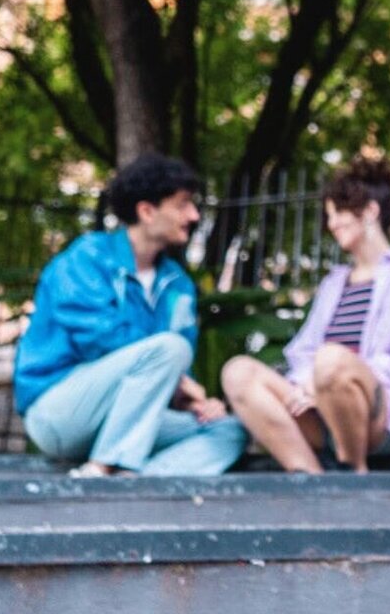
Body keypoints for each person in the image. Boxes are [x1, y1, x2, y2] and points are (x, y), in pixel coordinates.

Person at [13, 154, 247, 477]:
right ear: (147, 211)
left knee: (230, 430)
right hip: (58, 411)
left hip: (130, 419)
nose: (193, 215)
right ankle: (105, 466)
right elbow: (101, 339)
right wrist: (179, 379)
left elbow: (166, 371)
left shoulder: (178, 284)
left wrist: (193, 402)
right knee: (171, 348)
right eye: (182, 205)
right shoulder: (86, 258)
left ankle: (132, 480)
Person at [222, 157, 390, 473]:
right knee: (238, 372)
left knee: (330, 360)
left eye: (339, 213)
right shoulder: (334, 283)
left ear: (370, 211)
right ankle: (313, 478)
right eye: (329, 215)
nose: (332, 224)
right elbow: (303, 351)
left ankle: (354, 470)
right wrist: (307, 385)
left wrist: (332, 378)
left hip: (384, 418)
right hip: (320, 410)